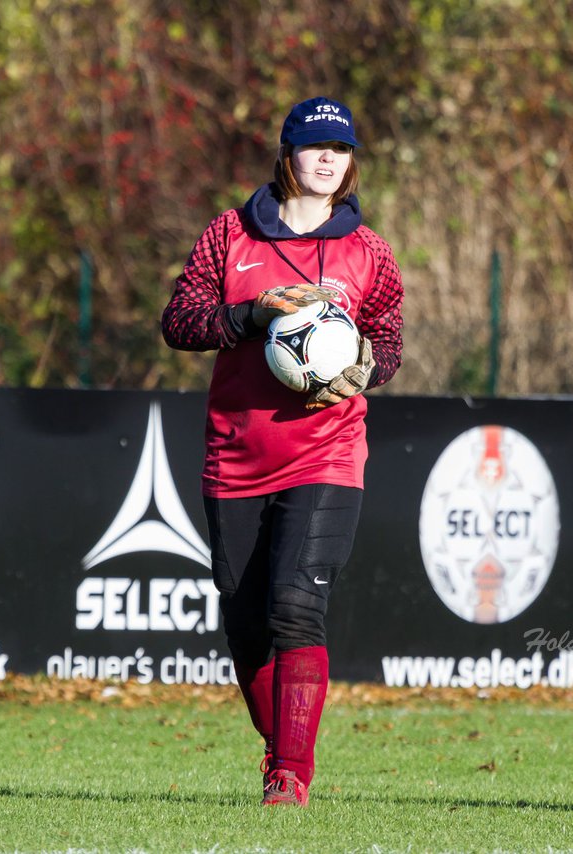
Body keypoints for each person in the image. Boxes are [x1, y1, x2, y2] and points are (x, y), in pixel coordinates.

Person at [161, 96, 404, 807]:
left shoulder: (370, 252)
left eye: (342, 148)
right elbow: (180, 322)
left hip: (327, 452)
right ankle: (281, 748)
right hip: (235, 454)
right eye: (314, 146)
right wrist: (249, 315)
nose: (329, 158)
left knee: (296, 605)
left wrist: (367, 369)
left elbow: (386, 338)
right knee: (245, 621)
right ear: (287, 154)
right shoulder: (228, 235)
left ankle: (291, 776)